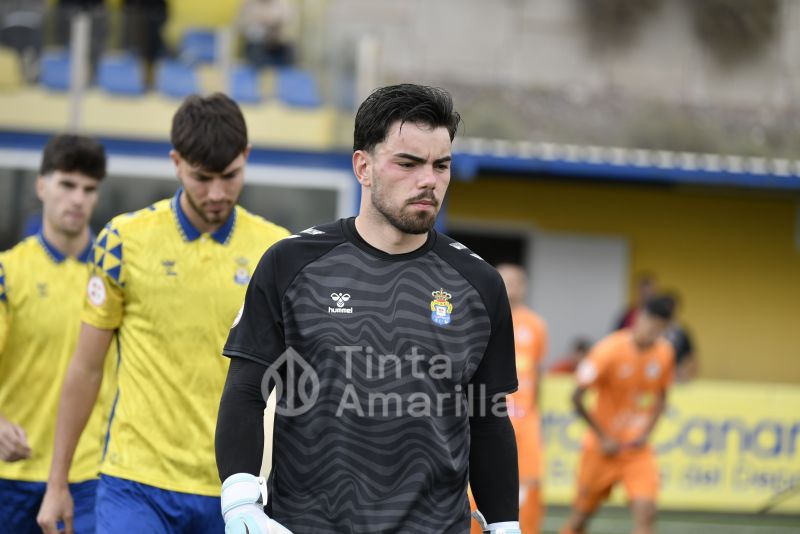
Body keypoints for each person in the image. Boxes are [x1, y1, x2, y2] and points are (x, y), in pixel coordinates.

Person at [215, 84, 522, 533]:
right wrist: (240, 498)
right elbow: (246, 389)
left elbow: (489, 420)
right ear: (363, 166)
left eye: (441, 165)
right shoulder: (290, 264)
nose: (429, 180)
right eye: (408, 163)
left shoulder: (480, 284)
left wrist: (505, 524)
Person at [37, 93, 290, 534]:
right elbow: (86, 368)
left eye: (230, 176)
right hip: (134, 484)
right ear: (176, 162)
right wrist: (57, 482)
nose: (216, 193)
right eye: (202, 177)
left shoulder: (277, 250)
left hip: (235, 488)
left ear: (246, 157)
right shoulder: (122, 241)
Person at [0, 134, 111, 534]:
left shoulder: (115, 275)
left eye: (89, 189)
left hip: (89, 474)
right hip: (11, 472)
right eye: (67, 184)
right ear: (41, 186)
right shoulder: (8, 272)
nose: (78, 199)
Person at [561, 295, 676, 534]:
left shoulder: (665, 353)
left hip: (636, 451)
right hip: (602, 449)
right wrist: (603, 437)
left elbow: (662, 397)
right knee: (580, 518)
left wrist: (647, 433)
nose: (653, 331)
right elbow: (576, 397)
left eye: (660, 327)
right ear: (639, 318)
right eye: (650, 323)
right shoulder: (608, 349)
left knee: (646, 513)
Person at [492, 263, 548, 534]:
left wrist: (536, 412)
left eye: (515, 281)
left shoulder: (536, 324)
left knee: (530, 481)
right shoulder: (483, 315)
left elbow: (539, 372)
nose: (510, 286)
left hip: (525, 418)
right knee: (482, 478)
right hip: (489, 414)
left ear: (524, 287)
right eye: (504, 280)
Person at [236, 0, 295, 67]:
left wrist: (273, 23)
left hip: (277, 41)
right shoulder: (249, 4)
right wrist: (261, 23)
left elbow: (287, 19)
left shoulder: (281, 3)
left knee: (289, 49)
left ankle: (286, 70)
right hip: (256, 42)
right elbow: (242, 25)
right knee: (256, 53)